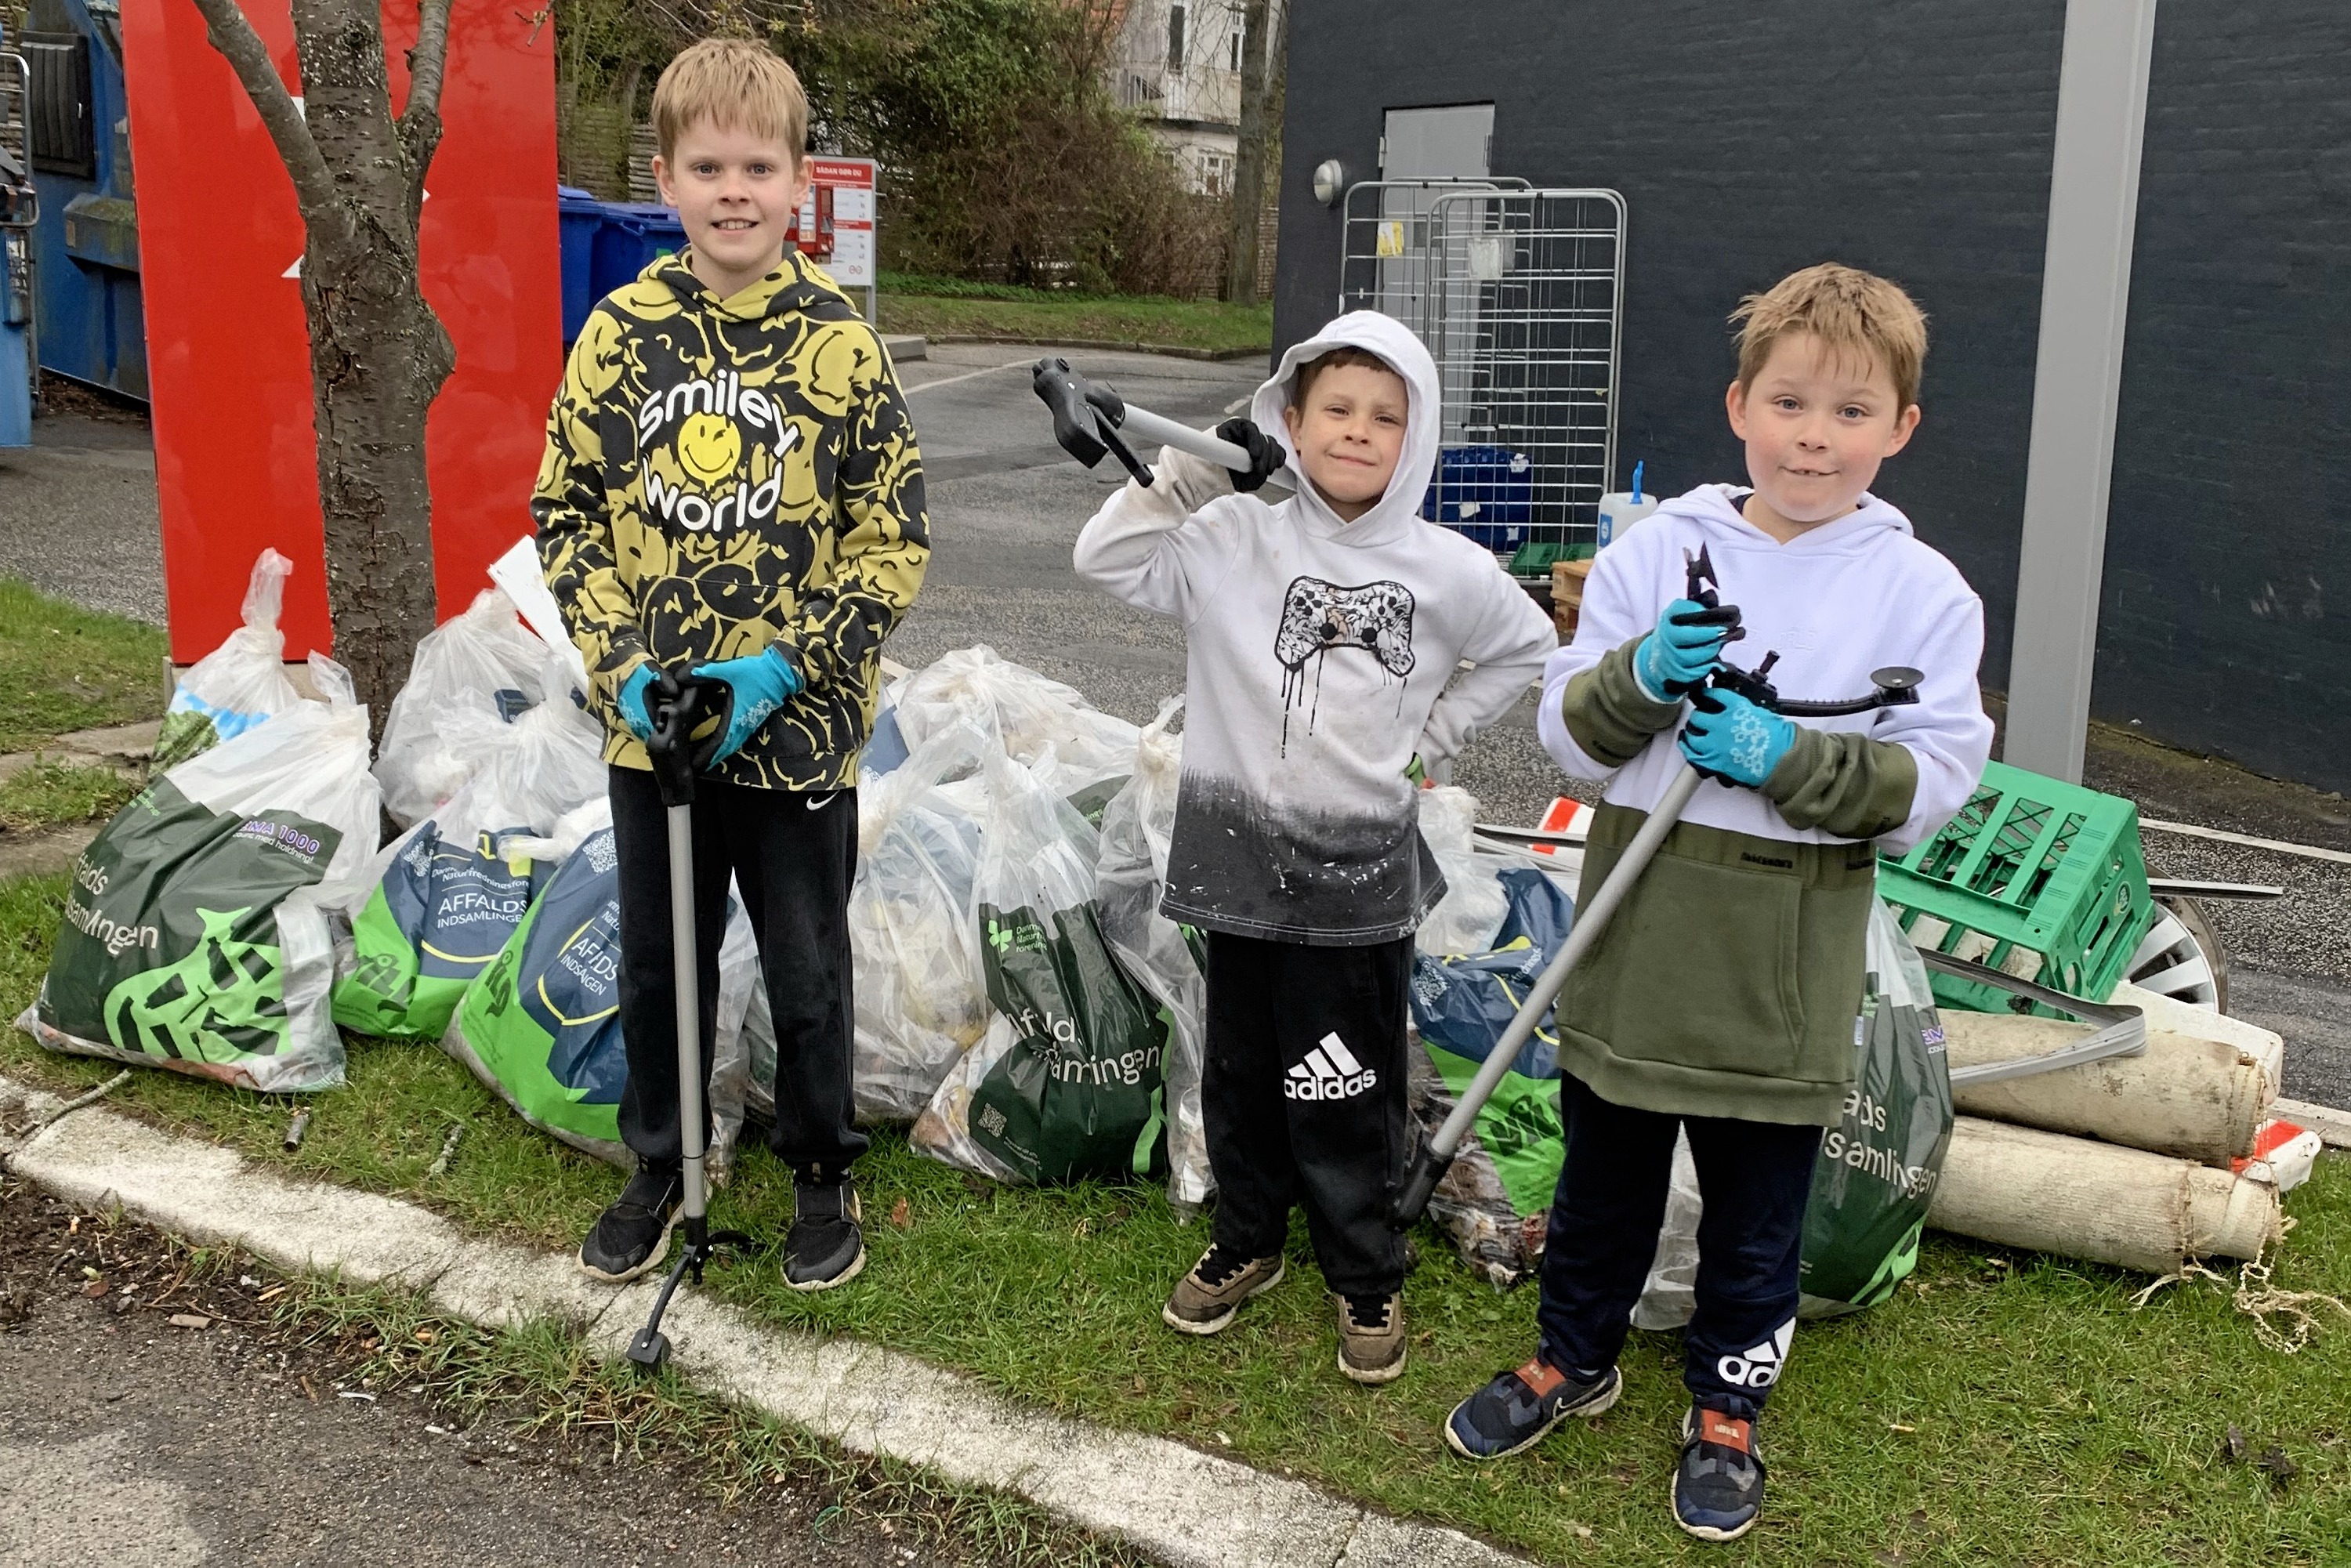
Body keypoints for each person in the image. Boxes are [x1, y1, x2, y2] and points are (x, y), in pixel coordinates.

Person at [1440, 264, 1993, 1541]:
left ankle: (1729, 1401)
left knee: (1759, 1203)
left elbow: (1935, 780)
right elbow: (1572, 739)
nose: (1816, 435)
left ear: (1899, 430)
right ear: (1741, 405)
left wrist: (1787, 761)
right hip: (1643, 920)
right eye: (1791, 402)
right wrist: (1638, 675)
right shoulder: (1659, 551)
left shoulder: (1924, 594)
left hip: (1786, 947)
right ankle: (1569, 1357)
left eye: (1852, 413)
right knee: (1606, 1177)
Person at [1074, 312, 1558, 1384]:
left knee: (1342, 1080)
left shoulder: (1447, 569)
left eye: (1387, 417)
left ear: (1416, 438)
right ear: (1290, 419)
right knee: (1242, 1073)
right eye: (1335, 409)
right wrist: (1191, 479)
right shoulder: (1232, 538)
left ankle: (1363, 1265)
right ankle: (1248, 1240)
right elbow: (1103, 554)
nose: (1358, 432)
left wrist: (1430, 730)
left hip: (1358, 888)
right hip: (1237, 867)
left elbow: (1530, 644)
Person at [534, 37, 928, 1292]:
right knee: (661, 959)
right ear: (666, 177)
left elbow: (893, 532)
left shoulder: (840, 343)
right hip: (656, 732)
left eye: (759, 165)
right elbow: (565, 510)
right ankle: (662, 1158)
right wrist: (621, 667)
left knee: (810, 967)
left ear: (799, 179)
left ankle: (821, 1164)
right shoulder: (621, 334)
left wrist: (790, 667)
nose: (735, 189)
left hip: (797, 734)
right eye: (707, 165)